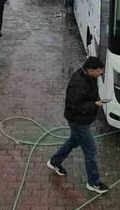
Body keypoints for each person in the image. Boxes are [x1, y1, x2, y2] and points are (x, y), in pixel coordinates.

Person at [46, 56, 110, 194]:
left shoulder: (90, 77)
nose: (101, 73)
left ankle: (55, 161)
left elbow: (91, 93)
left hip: (83, 119)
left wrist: (97, 100)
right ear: (90, 70)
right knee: (91, 151)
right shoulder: (78, 84)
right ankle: (93, 182)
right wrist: (94, 105)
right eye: (99, 71)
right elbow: (74, 106)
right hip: (78, 121)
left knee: (73, 141)